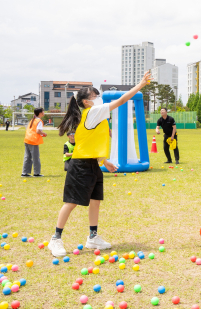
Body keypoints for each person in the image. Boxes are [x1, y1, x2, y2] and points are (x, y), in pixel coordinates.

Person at [48, 71, 152, 257]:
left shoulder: (95, 115)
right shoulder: (94, 111)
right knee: (71, 202)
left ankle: (93, 237)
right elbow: (120, 101)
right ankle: (55, 239)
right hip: (80, 166)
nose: (99, 98)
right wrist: (140, 85)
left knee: (95, 201)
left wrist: (105, 161)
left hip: (93, 165)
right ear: (87, 102)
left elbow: (91, 143)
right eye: (95, 96)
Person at [22, 108, 47, 177]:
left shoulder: (32, 120)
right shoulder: (39, 121)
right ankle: (36, 173)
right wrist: (44, 133)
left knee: (27, 157)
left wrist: (41, 134)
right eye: (43, 111)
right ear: (40, 113)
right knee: (35, 157)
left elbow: (33, 130)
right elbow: (38, 131)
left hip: (27, 139)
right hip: (33, 140)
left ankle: (25, 173)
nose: (44, 112)